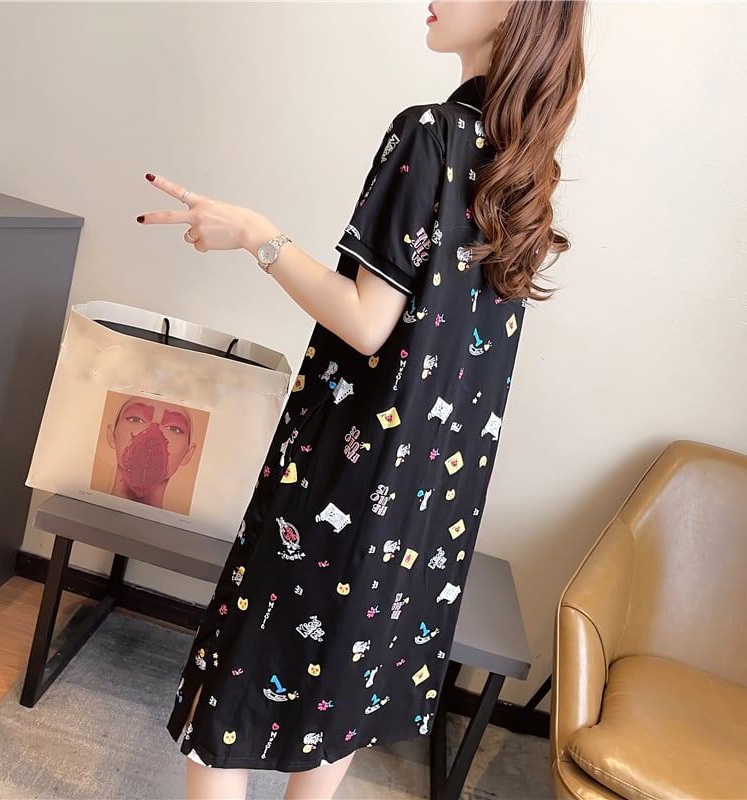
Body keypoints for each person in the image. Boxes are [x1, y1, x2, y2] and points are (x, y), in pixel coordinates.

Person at [136, 2, 587, 797]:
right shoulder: (524, 170)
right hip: (428, 504)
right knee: (334, 706)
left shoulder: (431, 134)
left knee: (224, 710)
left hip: (345, 478)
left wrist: (257, 236)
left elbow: (367, 322)